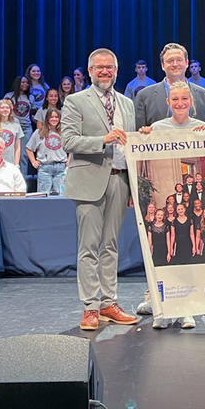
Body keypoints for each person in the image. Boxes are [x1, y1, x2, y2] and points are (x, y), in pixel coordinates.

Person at [62, 48, 137, 330]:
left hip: (120, 180)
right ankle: (90, 306)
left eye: (110, 67)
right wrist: (102, 140)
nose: (105, 72)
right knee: (88, 247)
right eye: (99, 67)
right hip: (89, 181)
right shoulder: (75, 101)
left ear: (117, 71)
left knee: (111, 246)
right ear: (90, 71)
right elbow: (68, 140)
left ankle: (109, 302)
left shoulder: (127, 104)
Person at [134, 43, 205, 129]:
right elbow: (139, 136)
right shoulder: (144, 96)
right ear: (163, 66)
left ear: (187, 63)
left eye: (179, 60)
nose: (175, 64)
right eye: (170, 61)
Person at [26, 107, 67, 194]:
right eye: (51, 117)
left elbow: (72, 148)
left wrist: (69, 160)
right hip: (45, 168)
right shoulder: (39, 132)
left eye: (56, 117)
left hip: (61, 168)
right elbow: (29, 148)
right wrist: (33, 161)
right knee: (43, 195)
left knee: (61, 195)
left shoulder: (64, 132)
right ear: (47, 118)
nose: (54, 119)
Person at [4, 77, 35, 178]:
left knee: (24, 155)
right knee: (11, 152)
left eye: (27, 82)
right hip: (13, 126)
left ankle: (22, 178)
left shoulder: (30, 97)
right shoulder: (10, 96)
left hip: (26, 128)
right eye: (23, 82)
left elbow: (32, 113)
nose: (25, 84)